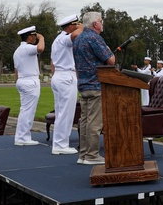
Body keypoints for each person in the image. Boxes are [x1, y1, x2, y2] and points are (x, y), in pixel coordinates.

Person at [72, 11, 115, 165]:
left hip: (83, 84)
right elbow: (111, 60)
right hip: (96, 84)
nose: (102, 24)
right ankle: (92, 155)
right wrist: (108, 48)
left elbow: (76, 65)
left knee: (84, 121)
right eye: (101, 21)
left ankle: (83, 154)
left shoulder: (78, 40)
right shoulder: (94, 38)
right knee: (95, 123)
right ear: (96, 24)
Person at [49, 14, 84, 155]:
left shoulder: (57, 39)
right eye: (76, 25)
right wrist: (83, 26)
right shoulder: (64, 39)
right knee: (66, 113)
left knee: (60, 112)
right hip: (65, 76)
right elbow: (76, 35)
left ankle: (59, 143)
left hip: (59, 75)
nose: (78, 27)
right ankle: (61, 144)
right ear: (71, 26)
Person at [13, 25, 45, 146]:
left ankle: (21, 136)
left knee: (25, 110)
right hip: (30, 81)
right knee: (28, 111)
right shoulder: (27, 48)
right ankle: (23, 137)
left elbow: (16, 69)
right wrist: (42, 38)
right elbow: (40, 49)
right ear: (30, 37)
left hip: (22, 80)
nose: (36, 38)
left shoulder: (17, 51)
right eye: (34, 36)